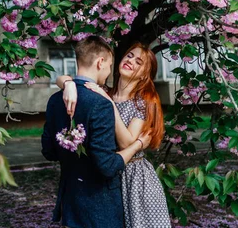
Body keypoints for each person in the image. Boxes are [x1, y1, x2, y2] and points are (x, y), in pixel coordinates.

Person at [57, 42, 172, 228]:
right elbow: (61, 78)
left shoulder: (142, 102)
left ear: (144, 74)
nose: (131, 61)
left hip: (135, 178)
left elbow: (127, 142)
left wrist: (109, 103)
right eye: (129, 55)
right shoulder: (103, 91)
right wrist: (68, 83)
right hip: (107, 173)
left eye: (139, 62)